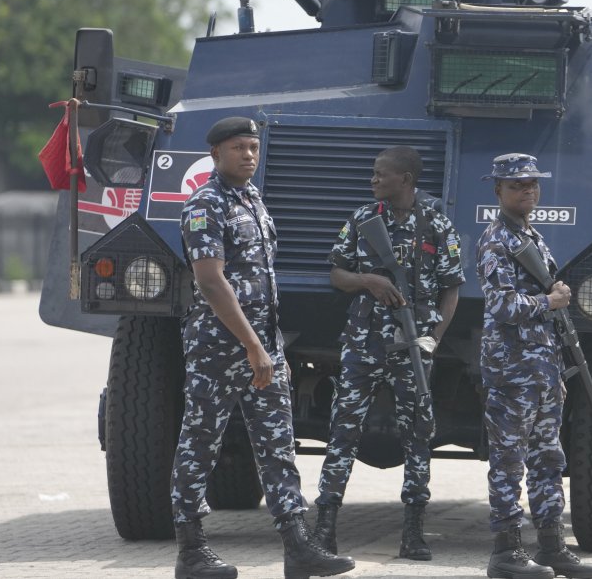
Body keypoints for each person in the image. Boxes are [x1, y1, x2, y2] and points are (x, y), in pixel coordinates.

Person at [172, 116, 355, 579]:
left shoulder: (252, 199)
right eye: (238, 148)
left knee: (277, 447)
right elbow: (211, 282)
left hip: (262, 347)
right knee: (200, 445)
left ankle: (298, 547)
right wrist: (254, 346)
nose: (249, 155)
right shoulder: (205, 204)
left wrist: (266, 346)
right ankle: (191, 553)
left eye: (253, 147)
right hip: (221, 347)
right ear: (215, 153)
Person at [312, 146, 465, 560]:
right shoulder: (364, 219)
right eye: (374, 173)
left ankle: (413, 533)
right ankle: (324, 529)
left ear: (406, 180)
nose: (374, 180)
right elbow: (336, 273)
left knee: (418, 435)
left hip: (413, 346)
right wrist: (368, 282)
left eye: (382, 174)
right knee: (342, 433)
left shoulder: (436, 224)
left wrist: (434, 336)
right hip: (363, 342)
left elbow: (452, 287)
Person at [476, 153, 592, 579]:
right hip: (512, 370)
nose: (527, 190)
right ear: (498, 191)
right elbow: (501, 305)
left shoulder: (531, 236)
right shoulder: (497, 241)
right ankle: (505, 553)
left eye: (532, 184)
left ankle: (551, 545)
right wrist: (548, 301)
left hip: (542, 369)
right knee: (509, 462)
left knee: (548, 457)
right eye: (516, 186)